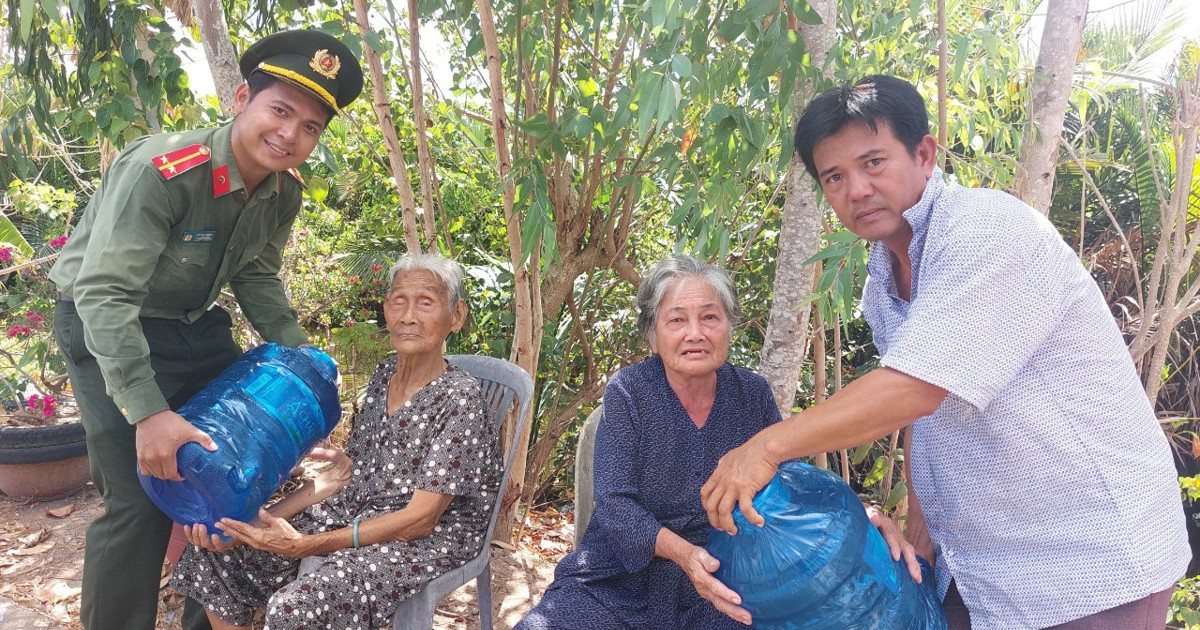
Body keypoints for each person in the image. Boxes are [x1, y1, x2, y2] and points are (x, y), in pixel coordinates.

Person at [701, 75, 1190, 630]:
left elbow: (914, 389)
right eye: (834, 177)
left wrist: (767, 448)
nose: (856, 189)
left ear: (924, 154)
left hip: (1086, 561)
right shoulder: (883, 278)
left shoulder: (984, 229)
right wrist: (920, 539)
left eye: (873, 163)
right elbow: (926, 423)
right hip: (982, 567)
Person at [49, 30, 364, 630]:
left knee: (233, 481)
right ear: (242, 97)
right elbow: (104, 294)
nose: (290, 135)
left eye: (310, 127)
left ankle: (208, 622)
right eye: (280, 111)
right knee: (139, 502)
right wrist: (147, 413)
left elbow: (259, 279)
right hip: (107, 327)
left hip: (192, 324)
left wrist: (304, 365)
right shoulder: (162, 171)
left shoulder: (280, 192)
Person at [516, 255, 917, 630]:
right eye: (676, 320)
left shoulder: (751, 394)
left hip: (727, 573)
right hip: (620, 576)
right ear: (653, 336)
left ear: (728, 328)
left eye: (710, 317)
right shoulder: (630, 392)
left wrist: (855, 516)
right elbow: (616, 506)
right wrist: (683, 554)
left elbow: (787, 485)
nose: (695, 333)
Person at [170, 253, 502, 629]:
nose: (408, 315)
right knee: (216, 556)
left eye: (425, 302)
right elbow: (345, 478)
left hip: (429, 536)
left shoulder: (460, 399)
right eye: (399, 301)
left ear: (456, 316)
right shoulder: (385, 374)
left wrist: (305, 545)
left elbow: (420, 520)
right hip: (358, 507)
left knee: (299, 607)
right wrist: (258, 525)